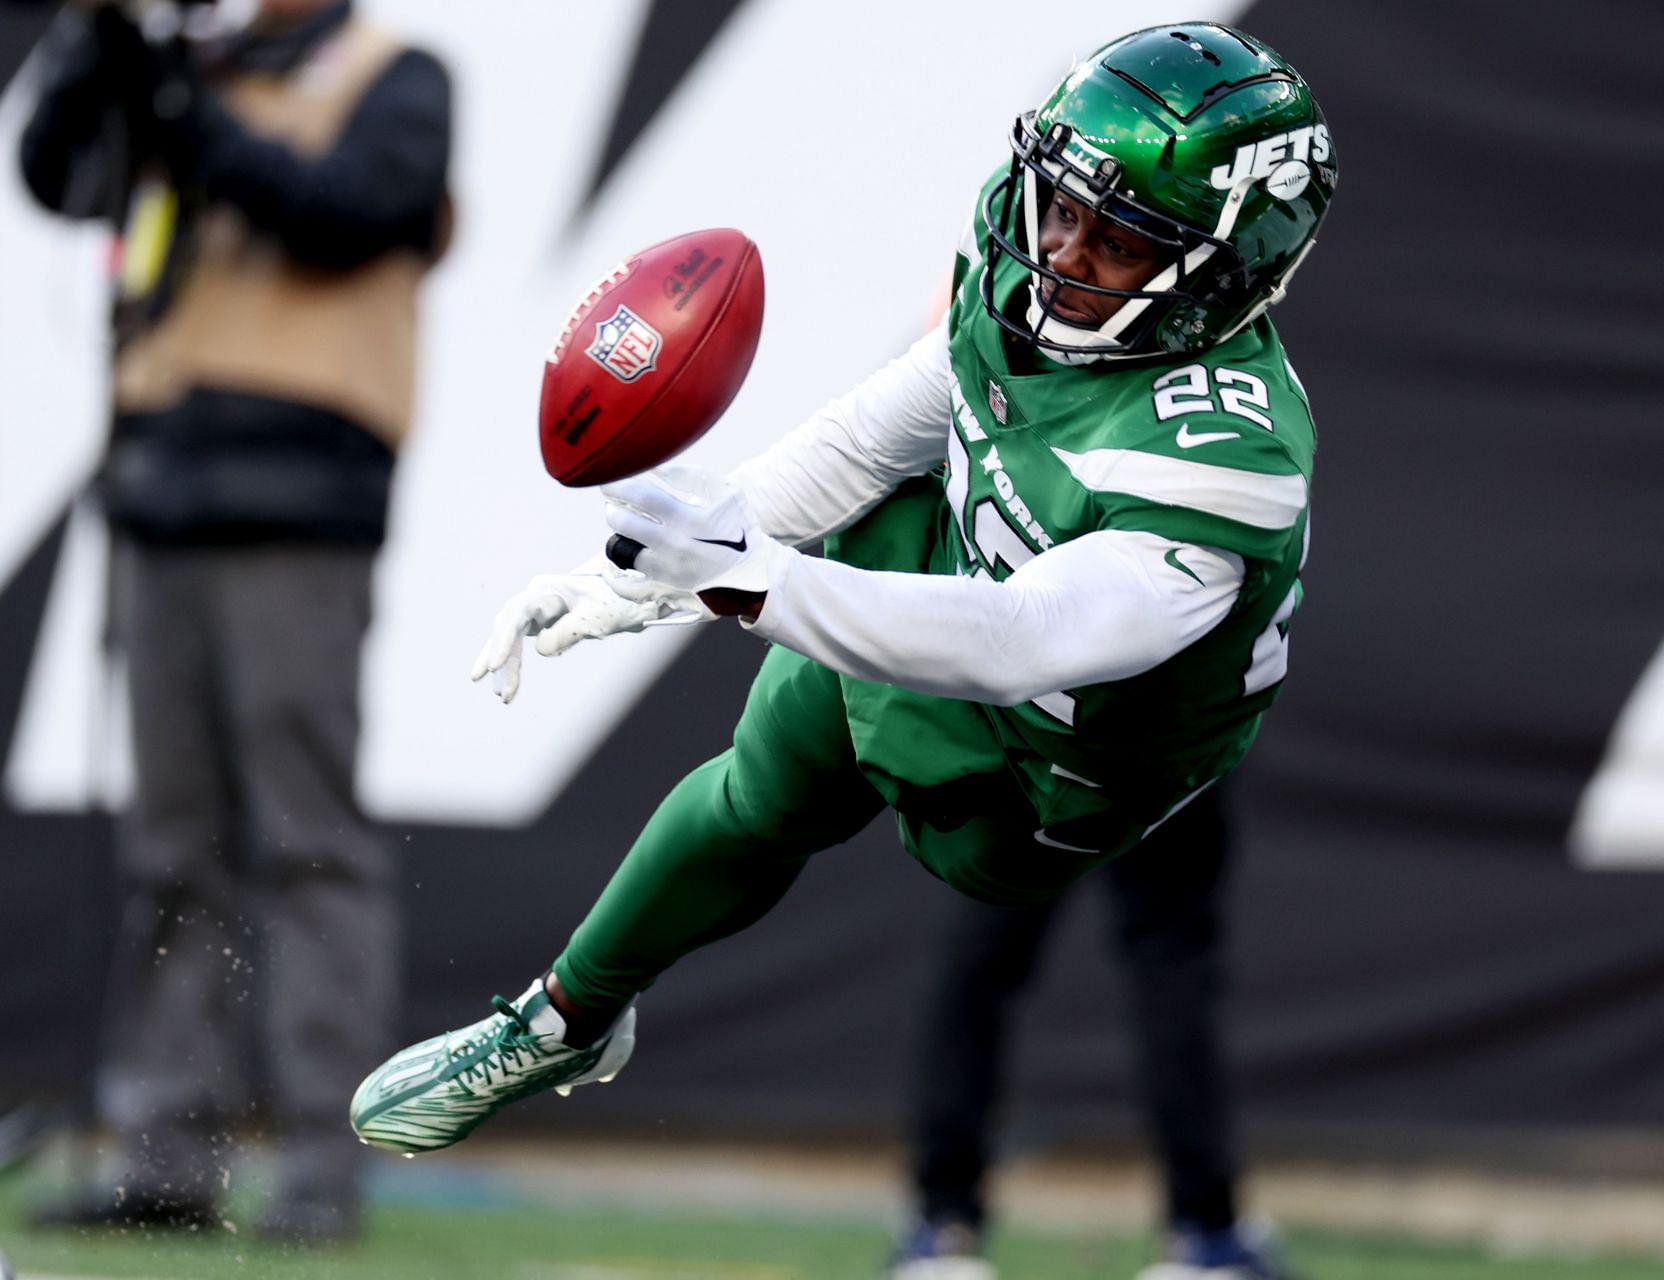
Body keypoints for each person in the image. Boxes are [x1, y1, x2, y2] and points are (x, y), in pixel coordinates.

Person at [351, 24, 1330, 1275]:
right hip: (987, 622)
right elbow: (873, 439)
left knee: (839, 713)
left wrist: (747, 580)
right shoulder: (1026, 285)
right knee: (819, 656)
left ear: (1223, 271)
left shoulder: (1223, 460)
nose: (1065, 253)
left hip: (1061, 784)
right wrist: (640, 578)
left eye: (1124, 238)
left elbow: (1018, 639)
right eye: (1063, 206)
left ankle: (1144, 1227)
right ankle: (562, 1018)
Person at [18, 0, 452, 1243]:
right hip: (160, 497)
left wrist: (190, 111)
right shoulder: (183, 71)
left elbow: (349, 210)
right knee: (171, 852)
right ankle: (168, 1157)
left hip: (296, 508)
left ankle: (327, 1157)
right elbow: (59, 173)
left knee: (310, 843)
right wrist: (100, 52)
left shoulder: (392, 75)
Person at [890, 788, 1291, 1280]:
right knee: (1168, 961)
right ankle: (1206, 1236)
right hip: (1157, 745)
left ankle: (942, 1229)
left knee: (985, 958)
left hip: (1048, 746)